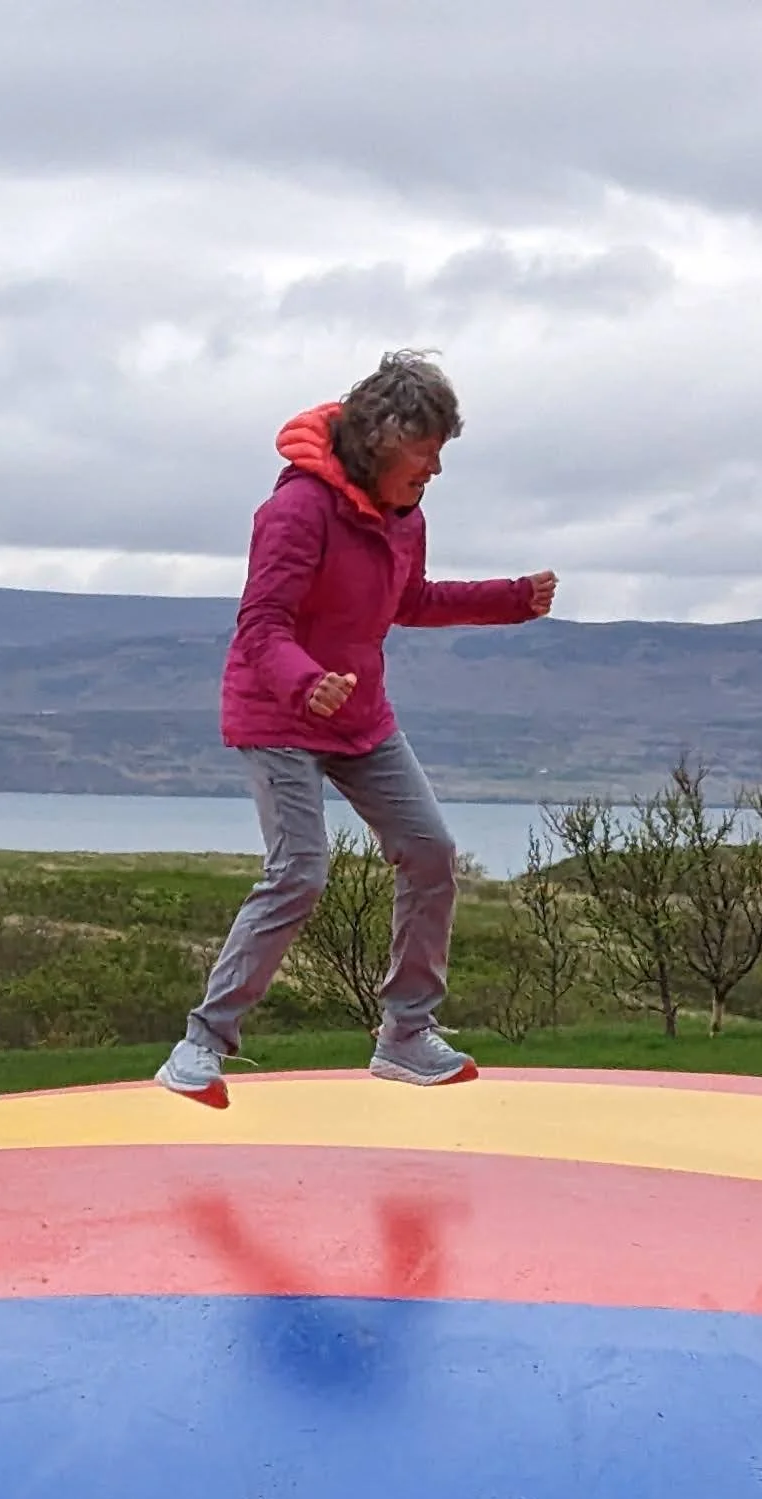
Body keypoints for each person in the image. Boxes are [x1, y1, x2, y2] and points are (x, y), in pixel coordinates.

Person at [158, 351, 559, 1105]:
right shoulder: (297, 511)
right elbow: (260, 627)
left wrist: (510, 599)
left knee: (431, 851)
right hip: (278, 712)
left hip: (360, 715)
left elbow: (410, 601)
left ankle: (406, 1035)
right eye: (427, 451)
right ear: (381, 439)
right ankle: (201, 1045)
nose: (435, 469)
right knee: (301, 870)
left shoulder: (404, 518)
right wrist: (306, 684)